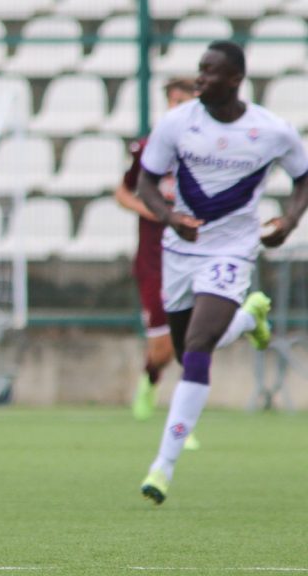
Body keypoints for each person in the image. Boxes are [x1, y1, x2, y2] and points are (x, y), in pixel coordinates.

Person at [137, 41, 308, 505]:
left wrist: (289, 221)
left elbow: (303, 177)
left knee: (197, 347)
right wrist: (170, 218)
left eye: (210, 71)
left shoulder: (271, 131)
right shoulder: (177, 122)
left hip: (232, 251)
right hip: (180, 249)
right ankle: (249, 319)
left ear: (235, 79)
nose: (200, 78)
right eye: (200, 69)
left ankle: (162, 466)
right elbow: (146, 182)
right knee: (185, 348)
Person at [116, 78, 270, 451]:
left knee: (196, 338)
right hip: (156, 258)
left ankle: (182, 424)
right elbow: (123, 192)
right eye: (172, 101)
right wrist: (156, 212)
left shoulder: (210, 149)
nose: (176, 107)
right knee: (163, 349)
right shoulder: (153, 148)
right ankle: (150, 378)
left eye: (182, 101)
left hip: (203, 254)